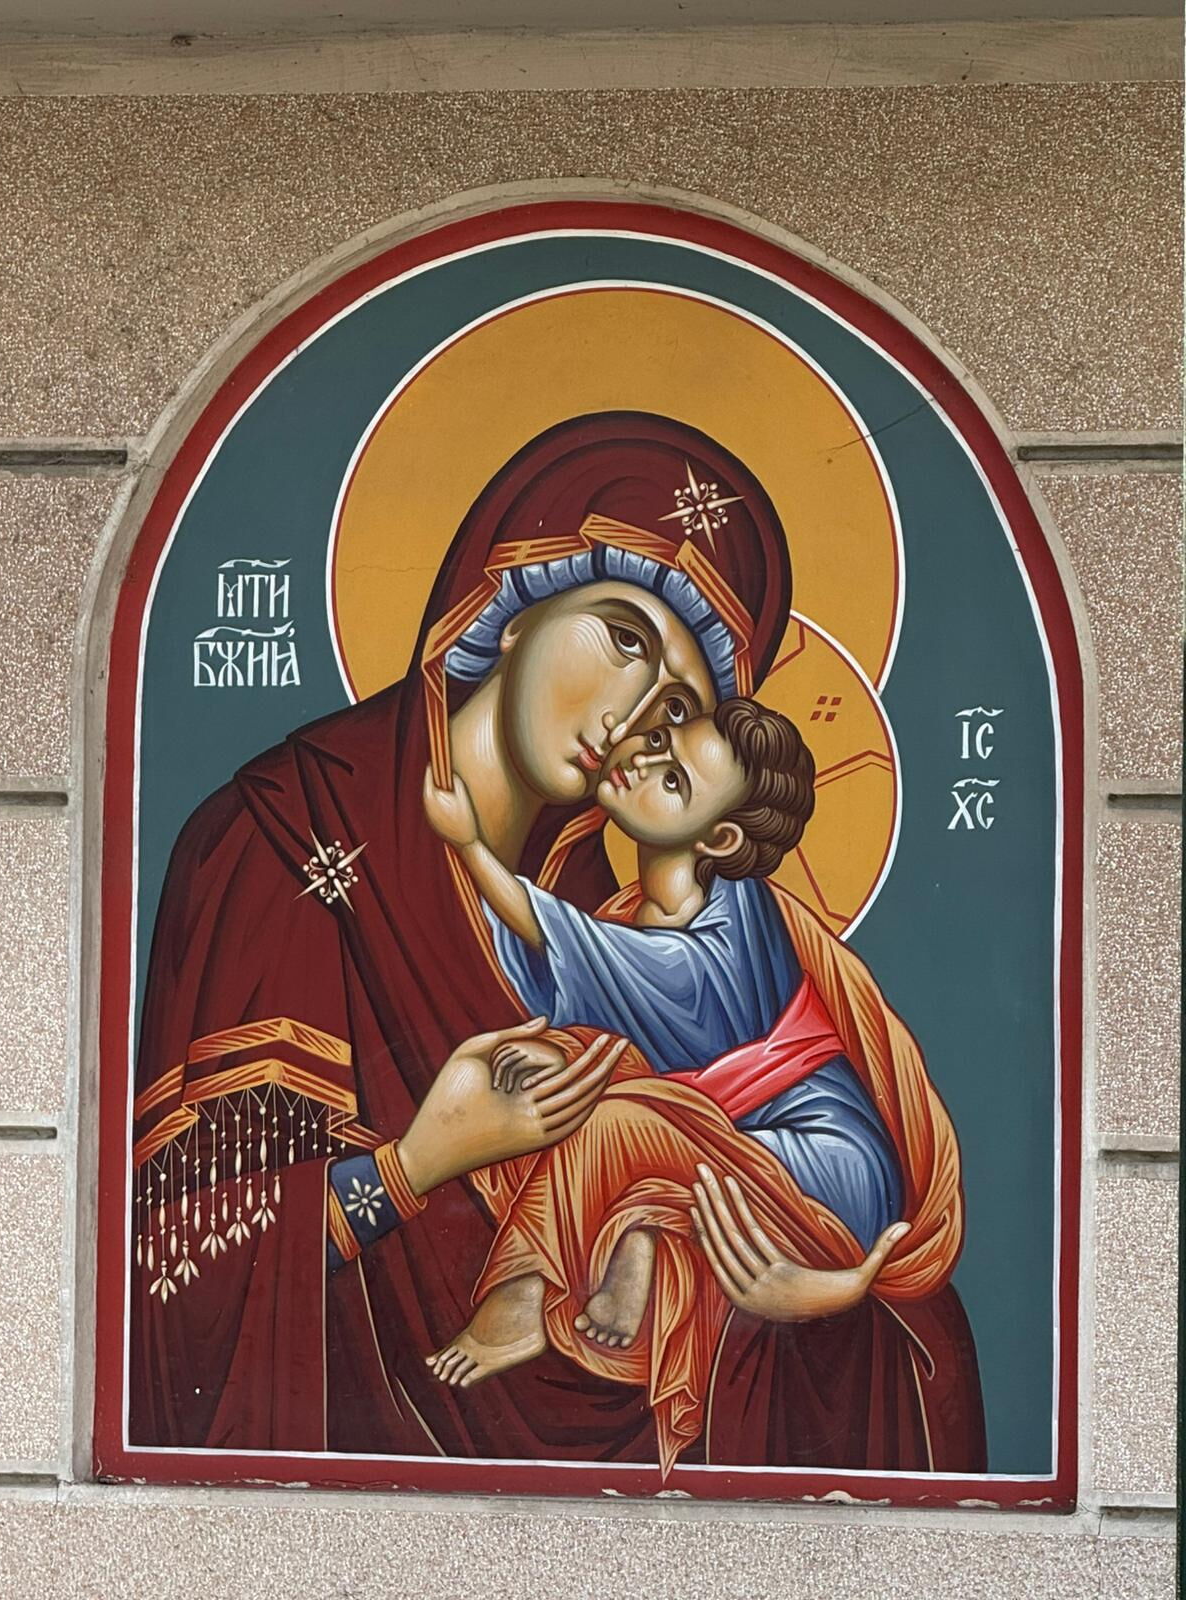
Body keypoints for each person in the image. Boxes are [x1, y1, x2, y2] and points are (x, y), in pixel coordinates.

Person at [129, 411, 984, 1471]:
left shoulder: (613, 915)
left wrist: (800, 1295)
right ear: (513, 595)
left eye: (676, 705)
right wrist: (414, 1164)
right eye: (624, 637)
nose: (631, 717)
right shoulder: (277, 847)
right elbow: (164, 1273)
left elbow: (754, 1190)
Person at [420, 697, 919, 1475]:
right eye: (656, 740)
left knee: (611, 1124)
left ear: (719, 838)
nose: (641, 762)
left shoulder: (704, 952)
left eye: (675, 780)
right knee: (571, 1099)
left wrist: (467, 843)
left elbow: (562, 942)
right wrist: (569, 1052)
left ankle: (524, 1296)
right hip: (733, 1129)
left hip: (829, 1167)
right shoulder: (671, 905)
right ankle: (645, 1231)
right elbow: (675, 1062)